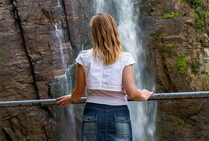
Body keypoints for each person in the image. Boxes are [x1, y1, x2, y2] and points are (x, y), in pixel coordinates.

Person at [56, 13, 153, 141]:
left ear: (94, 33)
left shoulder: (84, 57)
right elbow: (132, 93)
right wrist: (144, 95)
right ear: (113, 30)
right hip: (119, 114)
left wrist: (72, 99)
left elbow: (79, 92)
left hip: (93, 113)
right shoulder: (125, 58)